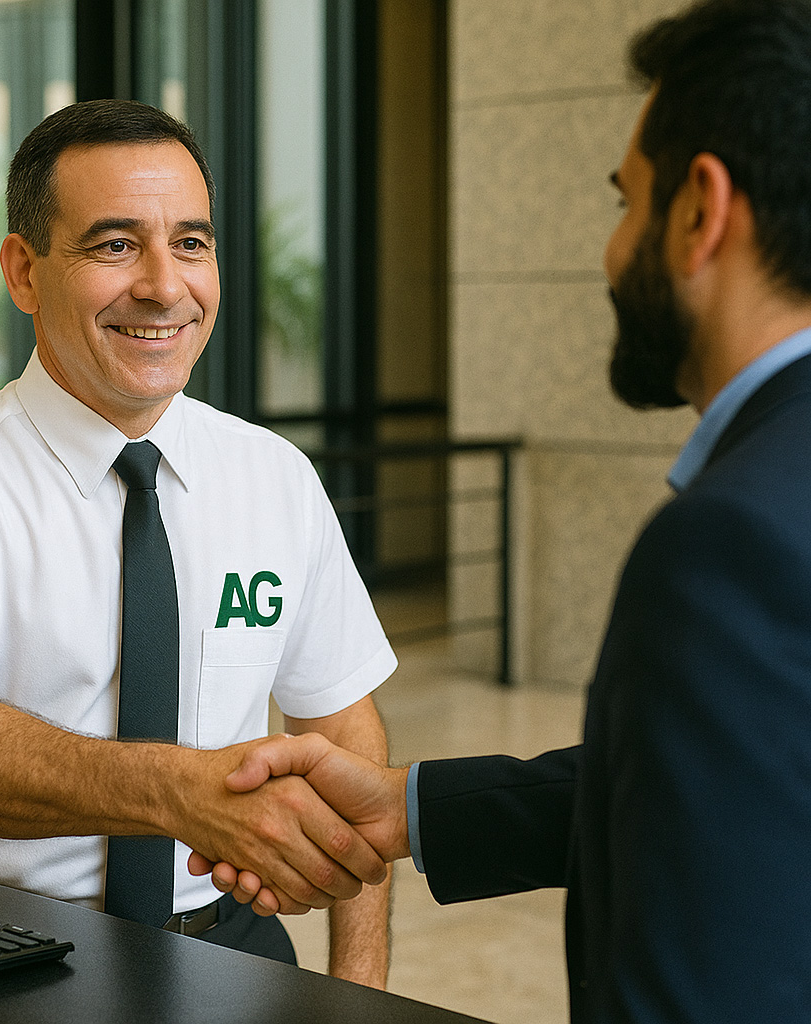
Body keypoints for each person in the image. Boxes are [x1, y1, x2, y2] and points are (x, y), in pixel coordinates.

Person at [192, 0, 811, 1018]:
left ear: (699, 211)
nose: (611, 254)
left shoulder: (727, 540)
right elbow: (720, 799)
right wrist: (405, 808)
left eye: (626, 204)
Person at [0, 98, 395, 986]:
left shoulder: (276, 476)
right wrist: (180, 792)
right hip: (1, 954)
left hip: (234, 946)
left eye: (190, 242)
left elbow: (340, 727)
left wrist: (362, 983)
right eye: (114, 244)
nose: (164, 285)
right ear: (23, 273)